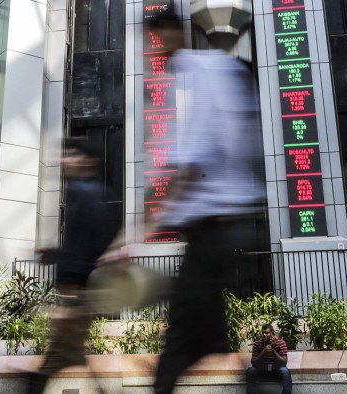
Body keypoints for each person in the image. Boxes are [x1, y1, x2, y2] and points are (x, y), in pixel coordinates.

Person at [99, 10, 267, 394]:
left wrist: (133, 238)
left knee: (181, 336)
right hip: (217, 228)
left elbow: (188, 167)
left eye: (154, 40)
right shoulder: (212, 72)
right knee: (198, 334)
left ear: (176, 33)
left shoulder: (200, 75)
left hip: (212, 228)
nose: (152, 50)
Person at [27, 137, 117, 394]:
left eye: (72, 154)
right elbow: (89, 247)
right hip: (81, 294)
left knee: (55, 362)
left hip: (76, 296)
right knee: (65, 359)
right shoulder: (97, 194)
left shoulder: (84, 193)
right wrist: (55, 254)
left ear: (87, 161)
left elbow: (82, 249)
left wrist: (69, 300)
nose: (64, 160)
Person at [246, 324, 292, 394]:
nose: (264, 335)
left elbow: (284, 362)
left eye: (267, 333)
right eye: (263, 333)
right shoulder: (258, 343)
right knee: (250, 370)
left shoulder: (280, 343)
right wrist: (263, 352)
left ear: (272, 333)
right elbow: (253, 362)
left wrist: (273, 350)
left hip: (276, 371)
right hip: (262, 371)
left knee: (285, 371)